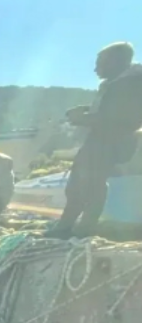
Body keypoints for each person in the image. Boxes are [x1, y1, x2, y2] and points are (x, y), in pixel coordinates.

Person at [48, 42, 142, 238]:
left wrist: (81, 119)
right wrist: (85, 111)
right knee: (83, 184)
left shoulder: (131, 84)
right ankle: (73, 226)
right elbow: (110, 111)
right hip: (102, 140)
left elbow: (121, 119)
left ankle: (78, 228)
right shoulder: (116, 84)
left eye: (100, 63)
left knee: (89, 184)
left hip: (110, 142)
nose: (96, 69)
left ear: (117, 61)